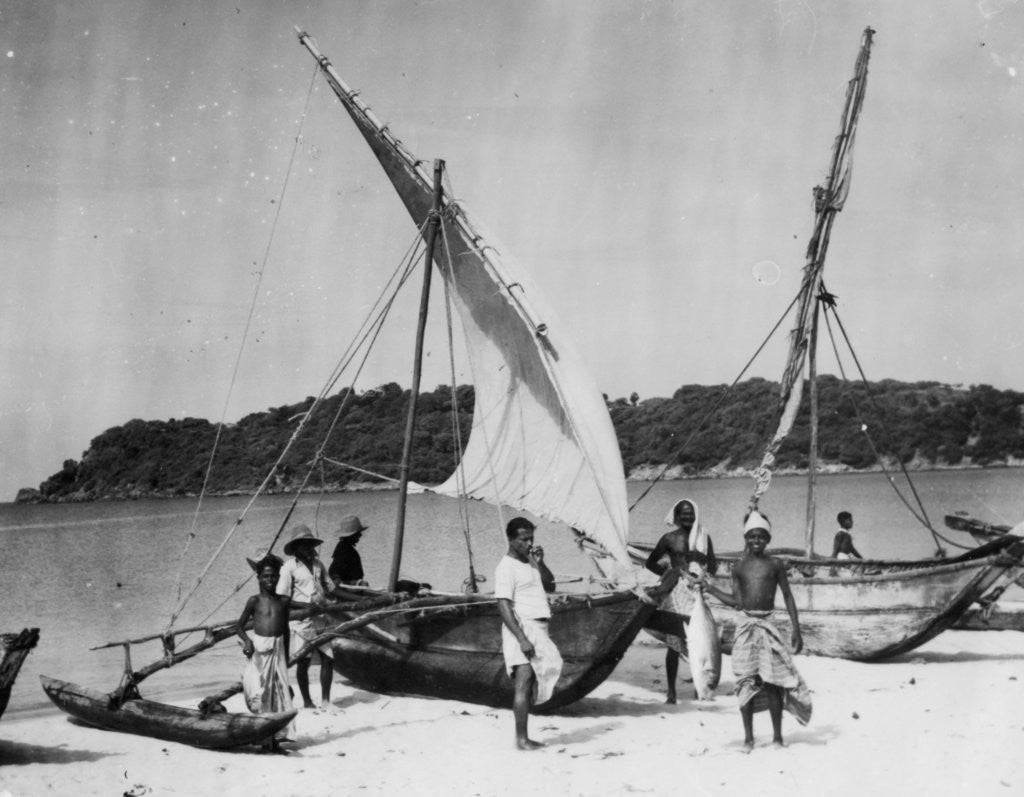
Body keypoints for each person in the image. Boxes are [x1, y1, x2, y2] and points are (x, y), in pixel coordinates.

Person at [703, 510, 811, 750]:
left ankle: (777, 738)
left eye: (761, 537)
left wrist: (796, 629)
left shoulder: (775, 564)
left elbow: (788, 596)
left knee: (773, 682)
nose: (756, 541)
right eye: (751, 536)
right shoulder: (739, 567)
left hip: (768, 626)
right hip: (745, 626)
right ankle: (748, 738)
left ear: (768, 539)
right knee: (745, 681)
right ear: (745, 538)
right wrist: (710, 589)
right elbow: (737, 601)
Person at [495, 517, 563, 750]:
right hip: (523, 628)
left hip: (540, 627)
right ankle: (521, 739)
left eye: (531, 538)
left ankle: (524, 736)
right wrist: (522, 639)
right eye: (524, 539)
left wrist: (541, 563)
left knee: (533, 679)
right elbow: (503, 606)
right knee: (523, 683)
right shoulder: (506, 567)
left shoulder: (531, 561)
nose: (529, 543)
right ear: (511, 539)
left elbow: (550, 585)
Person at [643, 498, 718, 703]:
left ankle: (698, 687)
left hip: (696, 592)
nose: (688, 517)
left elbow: (713, 566)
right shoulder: (669, 538)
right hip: (677, 593)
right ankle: (671, 691)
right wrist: (670, 573)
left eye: (691, 513)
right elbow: (650, 562)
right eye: (684, 514)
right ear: (676, 517)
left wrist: (701, 558)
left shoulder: (704, 537)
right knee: (674, 644)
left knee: (700, 641)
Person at [236, 552, 296, 753]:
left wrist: (286, 657)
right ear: (258, 578)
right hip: (260, 651)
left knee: (279, 693)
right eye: (266, 576)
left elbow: (286, 630)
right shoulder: (254, 601)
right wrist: (247, 641)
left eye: (273, 576)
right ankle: (263, 738)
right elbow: (239, 626)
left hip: (278, 650)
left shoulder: (284, 601)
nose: (269, 580)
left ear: (278, 577)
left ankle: (276, 739)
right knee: (260, 692)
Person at [276, 524, 336, 710]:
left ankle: (326, 700)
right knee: (304, 660)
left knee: (328, 657)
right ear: (295, 549)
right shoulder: (289, 568)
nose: (308, 549)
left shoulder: (319, 565)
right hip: (302, 620)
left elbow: (331, 588)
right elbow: (283, 598)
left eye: (310, 545)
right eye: (303, 545)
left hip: (321, 617)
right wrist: (306, 606)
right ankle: (307, 701)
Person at [329, 515, 369, 587]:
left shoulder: (346, 548)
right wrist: (357, 583)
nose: (360, 535)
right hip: (349, 590)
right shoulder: (343, 550)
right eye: (358, 533)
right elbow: (335, 575)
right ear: (351, 535)